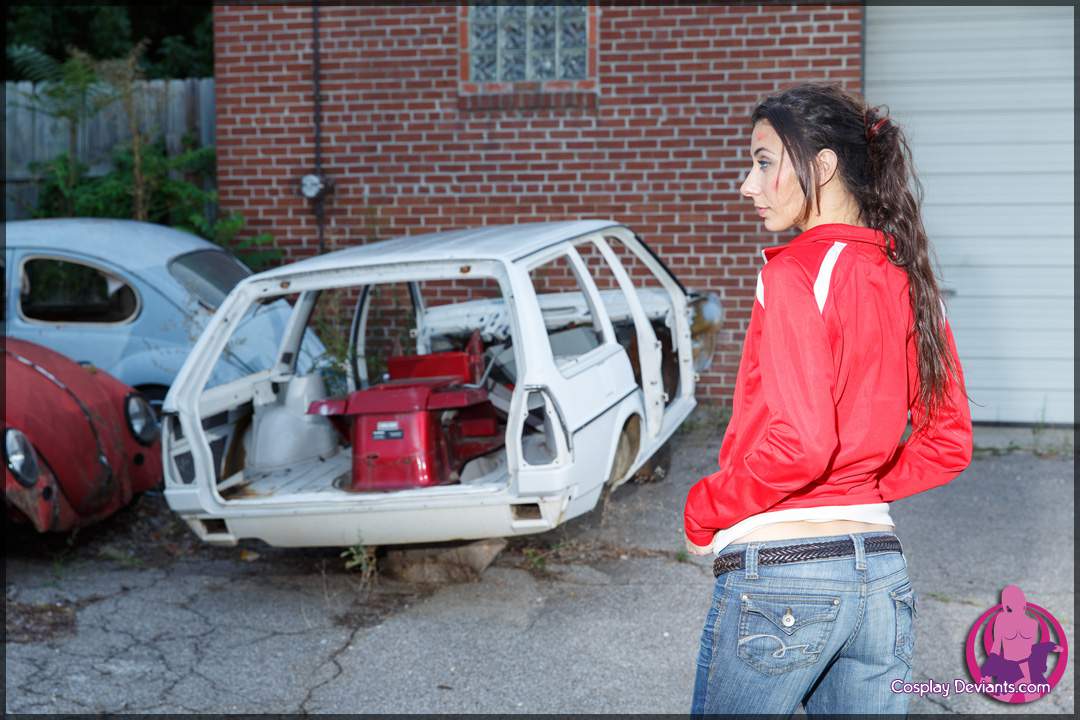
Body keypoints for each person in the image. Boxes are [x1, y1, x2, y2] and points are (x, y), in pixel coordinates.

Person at [684, 83, 974, 716]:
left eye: (763, 161)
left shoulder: (791, 272)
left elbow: (803, 446)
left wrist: (703, 506)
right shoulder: (911, 279)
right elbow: (947, 443)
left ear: (821, 166)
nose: (747, 185)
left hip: (784, 572)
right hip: (881, 577)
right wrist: (858, 486)